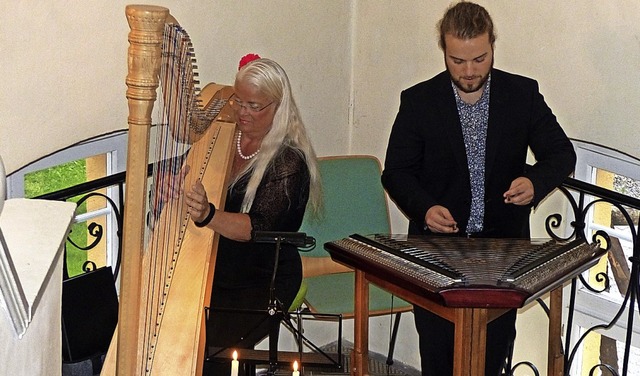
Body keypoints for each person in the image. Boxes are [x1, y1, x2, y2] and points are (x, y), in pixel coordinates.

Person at [381, 2, 576, 375]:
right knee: (439, 359)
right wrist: (423, 209)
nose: (469, 72)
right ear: (443, 51)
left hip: (501, 255)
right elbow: (397, 173)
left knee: (490, 360)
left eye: (479, 59)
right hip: (436, 254)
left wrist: (534, 183)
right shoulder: (419, 101)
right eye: (457, 61)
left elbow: (561, 154)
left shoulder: (522, 95)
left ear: (493, 48)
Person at [184, 55, 321, 375]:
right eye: (238, 101)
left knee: (209, 351)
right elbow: (189, 177)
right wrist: (168, 188)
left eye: (253, 105)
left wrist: (208, 215)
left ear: (278, 107)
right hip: (218, 265)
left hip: (264, 276)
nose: (242, 112)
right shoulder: (221, 136)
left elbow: (256, 228)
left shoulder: (289, 161)